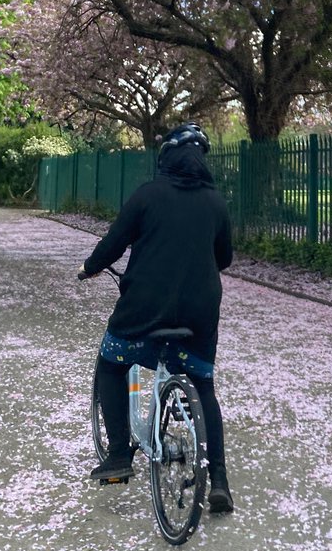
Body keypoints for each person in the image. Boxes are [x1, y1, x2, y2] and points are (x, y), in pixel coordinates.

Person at [78, 122, 235, 513]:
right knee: (204, 386)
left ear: (166, 158)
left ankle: (119, 454)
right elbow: (225, 259)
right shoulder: (216, 203)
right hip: (199, 314)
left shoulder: (147, 195)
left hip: (144, 309)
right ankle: (219, 481)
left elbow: (113, 244)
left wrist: (90, 267)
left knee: (111, 363)